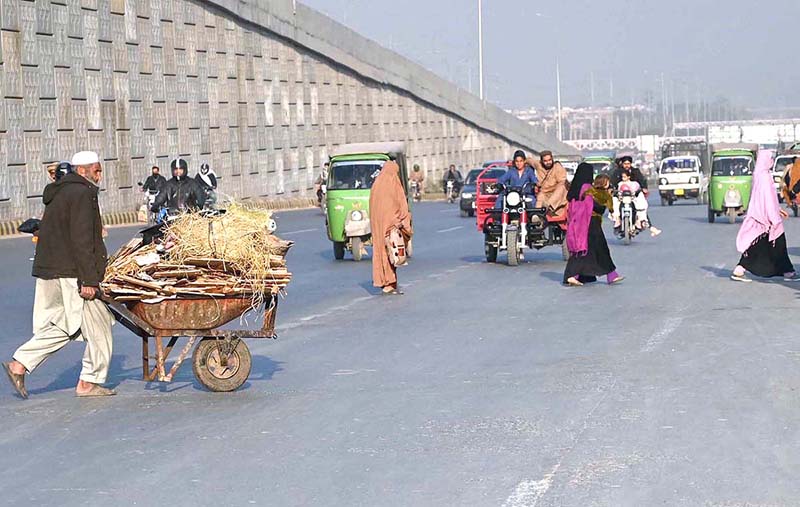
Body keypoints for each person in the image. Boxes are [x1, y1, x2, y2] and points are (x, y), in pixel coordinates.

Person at [3, 151, 115, 399]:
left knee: (70, 324)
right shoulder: (83, 193)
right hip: (71, 272)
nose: (100, 175)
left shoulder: (58, 191)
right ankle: (87, 381)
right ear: (83, 170)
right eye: (96, 170)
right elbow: (82, 239)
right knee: (90, 325)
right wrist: (88, 280)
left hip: (50, 269)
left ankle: (21, 364)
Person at [731, 150, 798, 282]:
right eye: (770, 158)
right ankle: (788, 272)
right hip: (767, 218)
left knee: (760, 245)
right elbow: (766, 199)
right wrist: (773, 217)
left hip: (763, 216)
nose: (772, 161)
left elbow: (767, 198)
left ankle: (740, 269)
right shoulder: (764, 177)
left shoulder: (760, 174)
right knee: (777, 244)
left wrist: (777, 209)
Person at [563, 165, 624, 286]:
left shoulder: (575, 189)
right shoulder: (587, 188)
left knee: (584, 251)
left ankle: (576, 275)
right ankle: (611, 275)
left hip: (578, 224)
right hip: (590, 223)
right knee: (600, 249)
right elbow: (594, 206)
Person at [369, 160, 413, 295]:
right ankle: (390, 283)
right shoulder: (394, 183)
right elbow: (400, 204)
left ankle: (384, 282)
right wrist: (402, 223)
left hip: (377, 225)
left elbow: (372, 206)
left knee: (381, 251)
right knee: (391, 252)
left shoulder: (376, 184)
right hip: (391, 225)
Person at [612, 169, 662, 237]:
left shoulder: (634, 184)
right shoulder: (620, 184)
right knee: (616, 209)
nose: (623, 178)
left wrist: (640, 191)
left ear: (629, 177)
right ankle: (618, 222)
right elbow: (616, 191)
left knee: (641, 212)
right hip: (622, 201)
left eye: (625, 177)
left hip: (633, 201)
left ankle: (642, 224)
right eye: (622, 177)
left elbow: (639, 191)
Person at [531, 151, 568, 219]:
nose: (548, 162)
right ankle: (537, 216)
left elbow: (562, 182)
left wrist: (550, 188)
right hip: (544, 193)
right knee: (540, 196)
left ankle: (548, 206)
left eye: (549, 160)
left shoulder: (557, 167)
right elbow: (529, 160)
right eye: (545, 161)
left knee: (561, 187)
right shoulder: (538, 165)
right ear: (541, 161)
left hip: (557, 195)